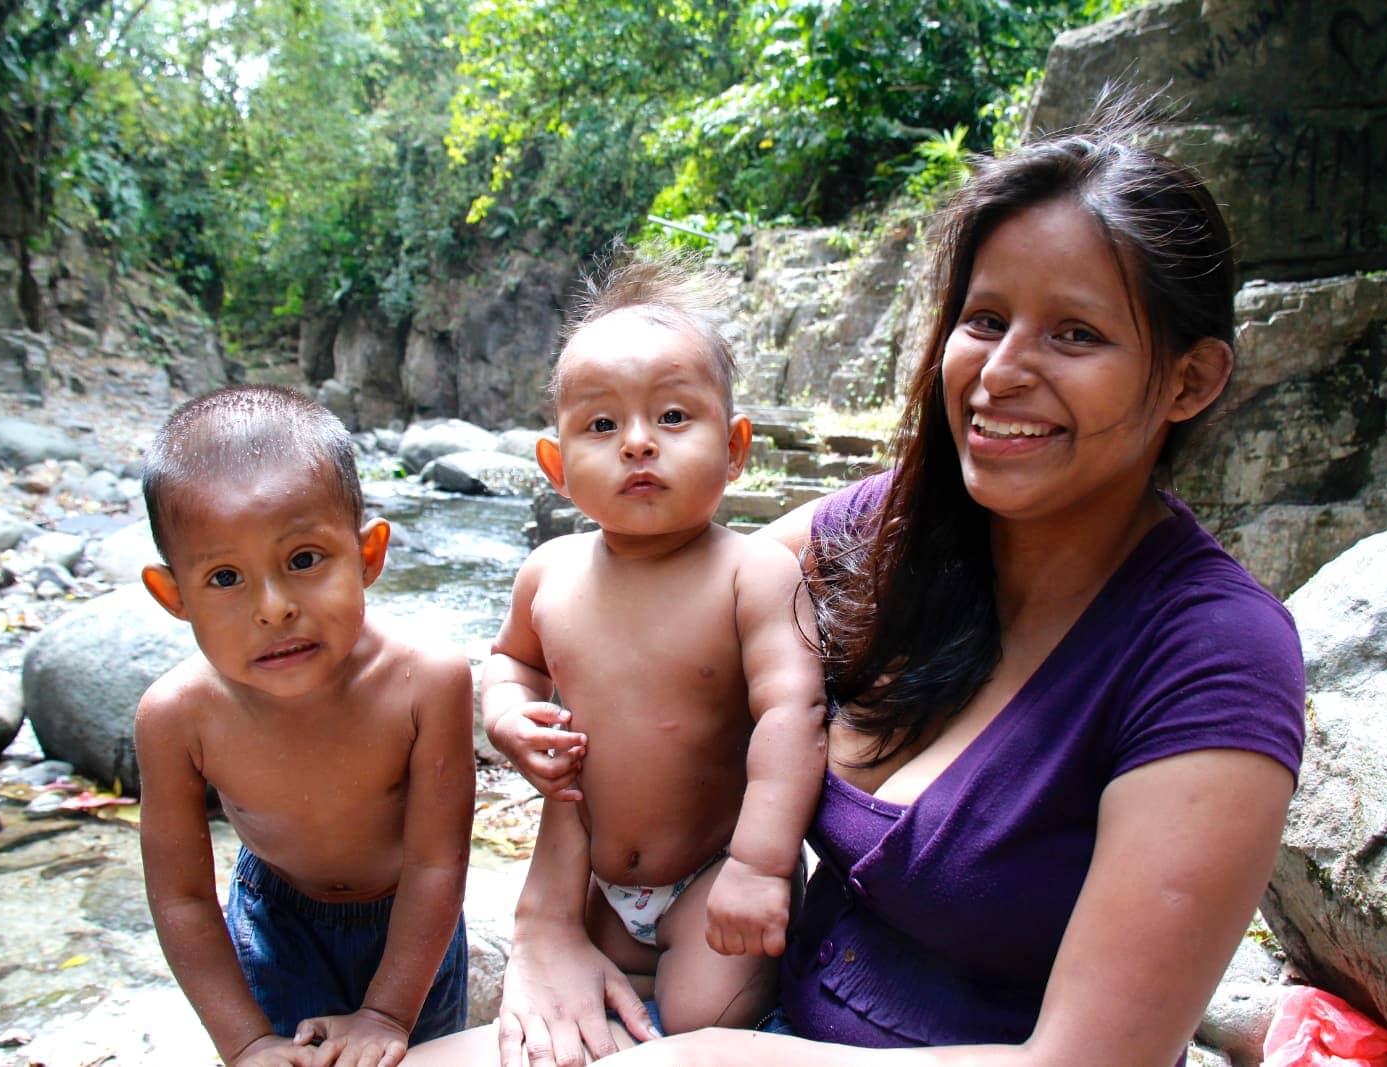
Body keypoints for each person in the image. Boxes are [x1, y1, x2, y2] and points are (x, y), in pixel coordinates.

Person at [413, 100, 1306, 1067]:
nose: (1001, 371)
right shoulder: (888, 528)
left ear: (1189, 380)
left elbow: (1093, 1061)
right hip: (737, 1013)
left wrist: (712, 1058)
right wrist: (549, 925)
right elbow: (620, 633)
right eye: (986, 319)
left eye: (1077, 334)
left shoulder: (1213, 655)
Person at [480, 255, 829, 1059]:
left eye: (674, 417)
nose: (638, 443)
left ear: (735, 447)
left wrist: (760, 865)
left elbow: (794, 711)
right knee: (572, 1014)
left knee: (704, 1014)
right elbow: (511, 663)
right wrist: (506, 716)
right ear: (557, 465)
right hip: (595, 876)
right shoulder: (550, 573)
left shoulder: (751, 573)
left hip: (713, 870)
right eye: (602, 425)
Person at [135, 385, 476, 1067]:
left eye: (303, 560)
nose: (273, 608)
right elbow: (181, 897)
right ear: (174, 595)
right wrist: (245, 1041)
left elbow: (440, 861)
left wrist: (386, 1011)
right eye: (226, 576)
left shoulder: (428, 681)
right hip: (275, 920)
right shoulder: (178, 716)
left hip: (411, 924)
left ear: (369, 553)